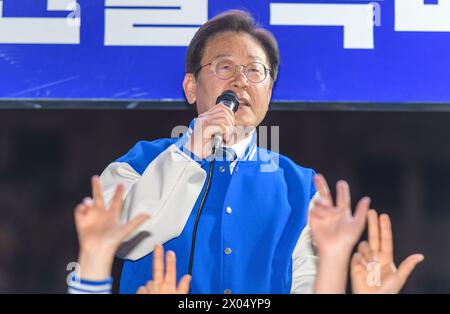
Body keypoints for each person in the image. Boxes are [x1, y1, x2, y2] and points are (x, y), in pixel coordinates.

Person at [99, 9, 319, 294]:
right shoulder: (138, 164)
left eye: (254, 71)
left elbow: (311, 284)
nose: (241, 81)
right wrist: (190, 151)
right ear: (191, 87)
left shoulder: (303, 189)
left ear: (269, 93)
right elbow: (119, 239)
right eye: (225, 67)